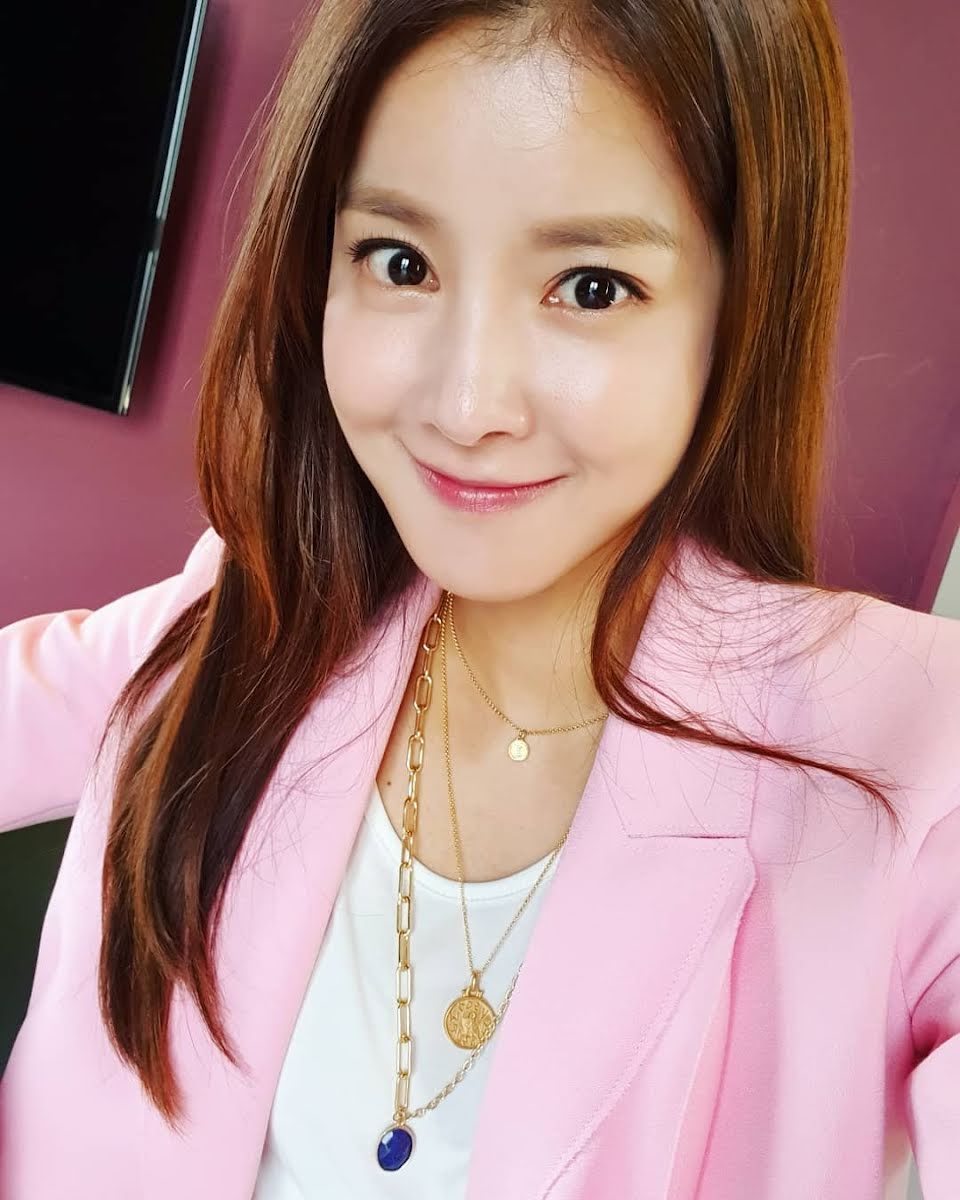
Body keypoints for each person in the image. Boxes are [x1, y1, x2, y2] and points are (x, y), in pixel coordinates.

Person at [0, 0, 957, 1197]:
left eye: (592, 287)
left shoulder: (912, 750)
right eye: (400, 263)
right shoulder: (252, 616)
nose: (466, 406)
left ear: (742, 312)